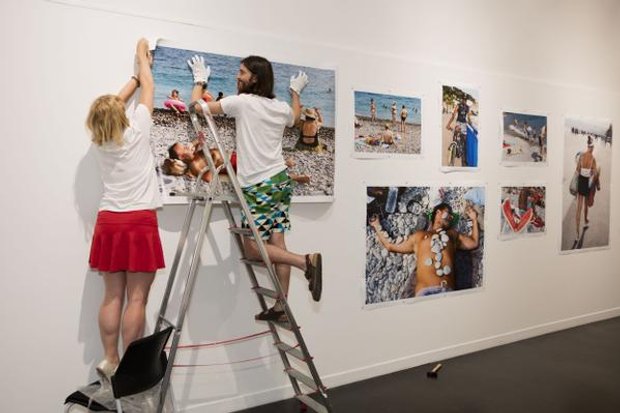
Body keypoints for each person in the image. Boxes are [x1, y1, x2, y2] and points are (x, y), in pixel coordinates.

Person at [186, 54, 322, 321]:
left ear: (254, 78)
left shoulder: (242, 103)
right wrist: (295, 92)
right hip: (280, 182)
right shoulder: (279, 106)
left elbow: (195, 108)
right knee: (277, 241)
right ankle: (282, 308)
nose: (238, 76)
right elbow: (295, 117)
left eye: (242, 72)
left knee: (251, 248)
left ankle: (305, 262)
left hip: (259, 185)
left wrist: (200, 81)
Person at [85, 38, 164, 385]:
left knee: (112, 295)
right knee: (137, 296)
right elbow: (149, 86)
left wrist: (132, 75)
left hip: (109, 222)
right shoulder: (138, 129)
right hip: (139, 221)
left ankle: (110, 358)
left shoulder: (99, 140)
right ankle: (130, 369)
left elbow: (111, 108)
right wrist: (143, 55)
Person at [369, 202, 479, 296]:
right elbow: (390, 245)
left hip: (447, 293)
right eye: (448, 213)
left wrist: (474, 219)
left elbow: (474, 243)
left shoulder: (452, 234)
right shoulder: (419, 236)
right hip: (425, 294)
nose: (450, 217)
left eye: (451, 216)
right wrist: (377, 225)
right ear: (438, 212)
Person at [574, 136, 598, 240]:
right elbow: (595, 172)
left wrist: (582, 170)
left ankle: (577, 234)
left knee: (578, 208)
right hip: (587, 183)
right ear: (592, 147)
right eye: (592, 147)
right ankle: (585, 221)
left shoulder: (582, 156)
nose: (592, 149)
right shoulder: (593, 158)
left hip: (581, 182)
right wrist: (590, 171)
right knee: (586, 205)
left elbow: (577, 170)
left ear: (587, 146)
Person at [446, 96, 472, 166]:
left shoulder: (458, 105)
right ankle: (459, 152)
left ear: (462, 99)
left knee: (456, 133)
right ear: (466, 100)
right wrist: (471, 125)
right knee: (464, 139)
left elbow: (453, 115)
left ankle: (454, 147)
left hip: (458, 123)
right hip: (463, 124)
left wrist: (448, 124)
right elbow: (469, 118)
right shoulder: (468, 107)